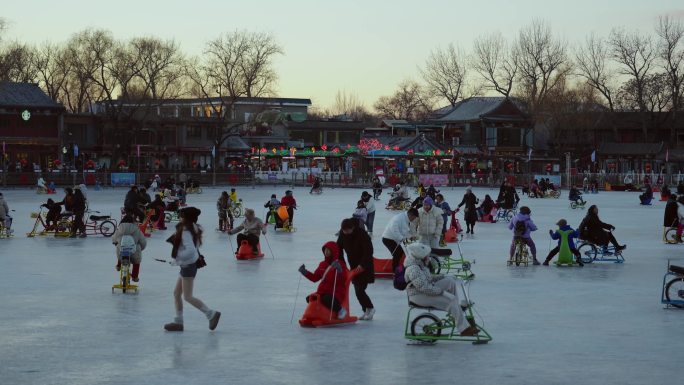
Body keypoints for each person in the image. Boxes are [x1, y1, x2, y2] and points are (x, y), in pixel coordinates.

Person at [163, 207, 221, 332]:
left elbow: (191, 251)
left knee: (188, 296)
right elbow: (196, 246)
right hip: (188, 265)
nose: (179, 217)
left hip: (188, 265)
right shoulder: (193, 228)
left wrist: (177, 258)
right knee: (177, 293)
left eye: (181, 215)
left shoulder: (185, 231)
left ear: (185, 217)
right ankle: (178, 322)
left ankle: (211, 314)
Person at [403, 243, 479, 337]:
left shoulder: (420, 265)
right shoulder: (413, 269)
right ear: (421, 257)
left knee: (449, 281)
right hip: (418, 296)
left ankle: (456, 310)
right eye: (427, 256)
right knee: (451, 300)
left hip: (425, 291)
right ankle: (464, 329)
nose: (429, 258)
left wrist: (444, 276)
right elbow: (425, 288)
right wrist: (442, 292)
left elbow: (430, 278)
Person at [337, 218, 375, 320]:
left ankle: (370, 308)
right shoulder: (342, 234)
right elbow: (338, 249)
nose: (345, 233)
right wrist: (343, 265)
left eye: (347, 231)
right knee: (358, 290)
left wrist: (362, 264)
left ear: (352, 228)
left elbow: (369, 250)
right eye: (343, 231)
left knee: (359, 290)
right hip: (353, 266)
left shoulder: (362, 234)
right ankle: (366, 310)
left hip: (365, 266)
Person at [298, 242, 348, 319]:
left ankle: (341, 310)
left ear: (334, 251)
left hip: (336, 292)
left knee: (327, 299)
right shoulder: (322, 264)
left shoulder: (340, 264)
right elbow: (315, 278)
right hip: (322, 291)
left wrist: (339, 270)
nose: (326, 252)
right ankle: (319, 313)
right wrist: (304, 272)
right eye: (325, 250)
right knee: (310, 298)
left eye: (329, 250)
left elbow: (343, 280)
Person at [112, 214, 147, 282]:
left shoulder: (119, 228)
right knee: (137, 262)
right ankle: (135, 276)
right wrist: (141, 247)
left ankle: (119, 265)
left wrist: (115, 243)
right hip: (134, 251)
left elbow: (114, 238)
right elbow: (143, 241)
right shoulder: (137, 229)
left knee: (120, 251)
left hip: (121, 249)